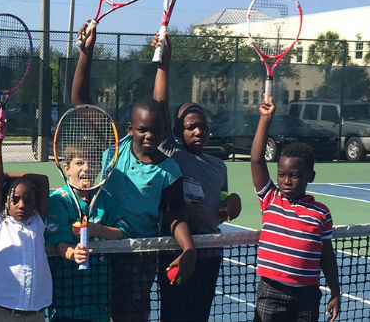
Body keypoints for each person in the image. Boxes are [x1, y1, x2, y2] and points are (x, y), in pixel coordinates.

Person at [71, 23, 196, 322]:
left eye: (156, 129)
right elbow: (80, 100)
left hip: (139, 255)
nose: (149, 135)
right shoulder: (115, 147)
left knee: (132, 316)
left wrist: (188, 247)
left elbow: (175, 215)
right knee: (90, 311)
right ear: (130, 129)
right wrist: (85, 53)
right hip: (98, 248)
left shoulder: (169, 171)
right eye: (142, 129)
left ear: (165, 130)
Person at [150, 33, 242, 321]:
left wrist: (231, 204)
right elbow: (160, 105)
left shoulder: (219, 166)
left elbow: (224, 205)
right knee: (173, 314)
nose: (198, 131)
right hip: (175, 250)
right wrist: (164, 60)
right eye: (190, 127)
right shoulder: (172, 152)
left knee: (198, 315)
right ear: (178, 130)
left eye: (201, 126)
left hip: (210, 253)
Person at [250, 98, 340, 322]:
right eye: (282, 175)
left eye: (294, 175)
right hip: (271, 293)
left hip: (307, 296)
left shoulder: (321, 213)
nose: (286, 180)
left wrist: (335, 292)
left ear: (310, 176)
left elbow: (326, 254)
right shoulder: (270, 198)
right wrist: (265, 119)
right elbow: (256, 160)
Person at [44, 143, 122, 322]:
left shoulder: (106, 200)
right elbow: (59, 244)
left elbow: (121, 232)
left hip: (99, 297)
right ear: (66, 168)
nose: (87, 167)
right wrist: (74, 254)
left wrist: (96, 229)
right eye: (79, 163)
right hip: (66, 299)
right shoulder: (58, 200)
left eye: (93, 163)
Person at [0, 116, 51, 321]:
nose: (22, 205)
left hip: (36, 314)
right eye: (16, 200)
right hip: (4, 313)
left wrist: (10, 175)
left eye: (28, 200)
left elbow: (43, 180)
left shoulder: (38, 223)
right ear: (7, 203)